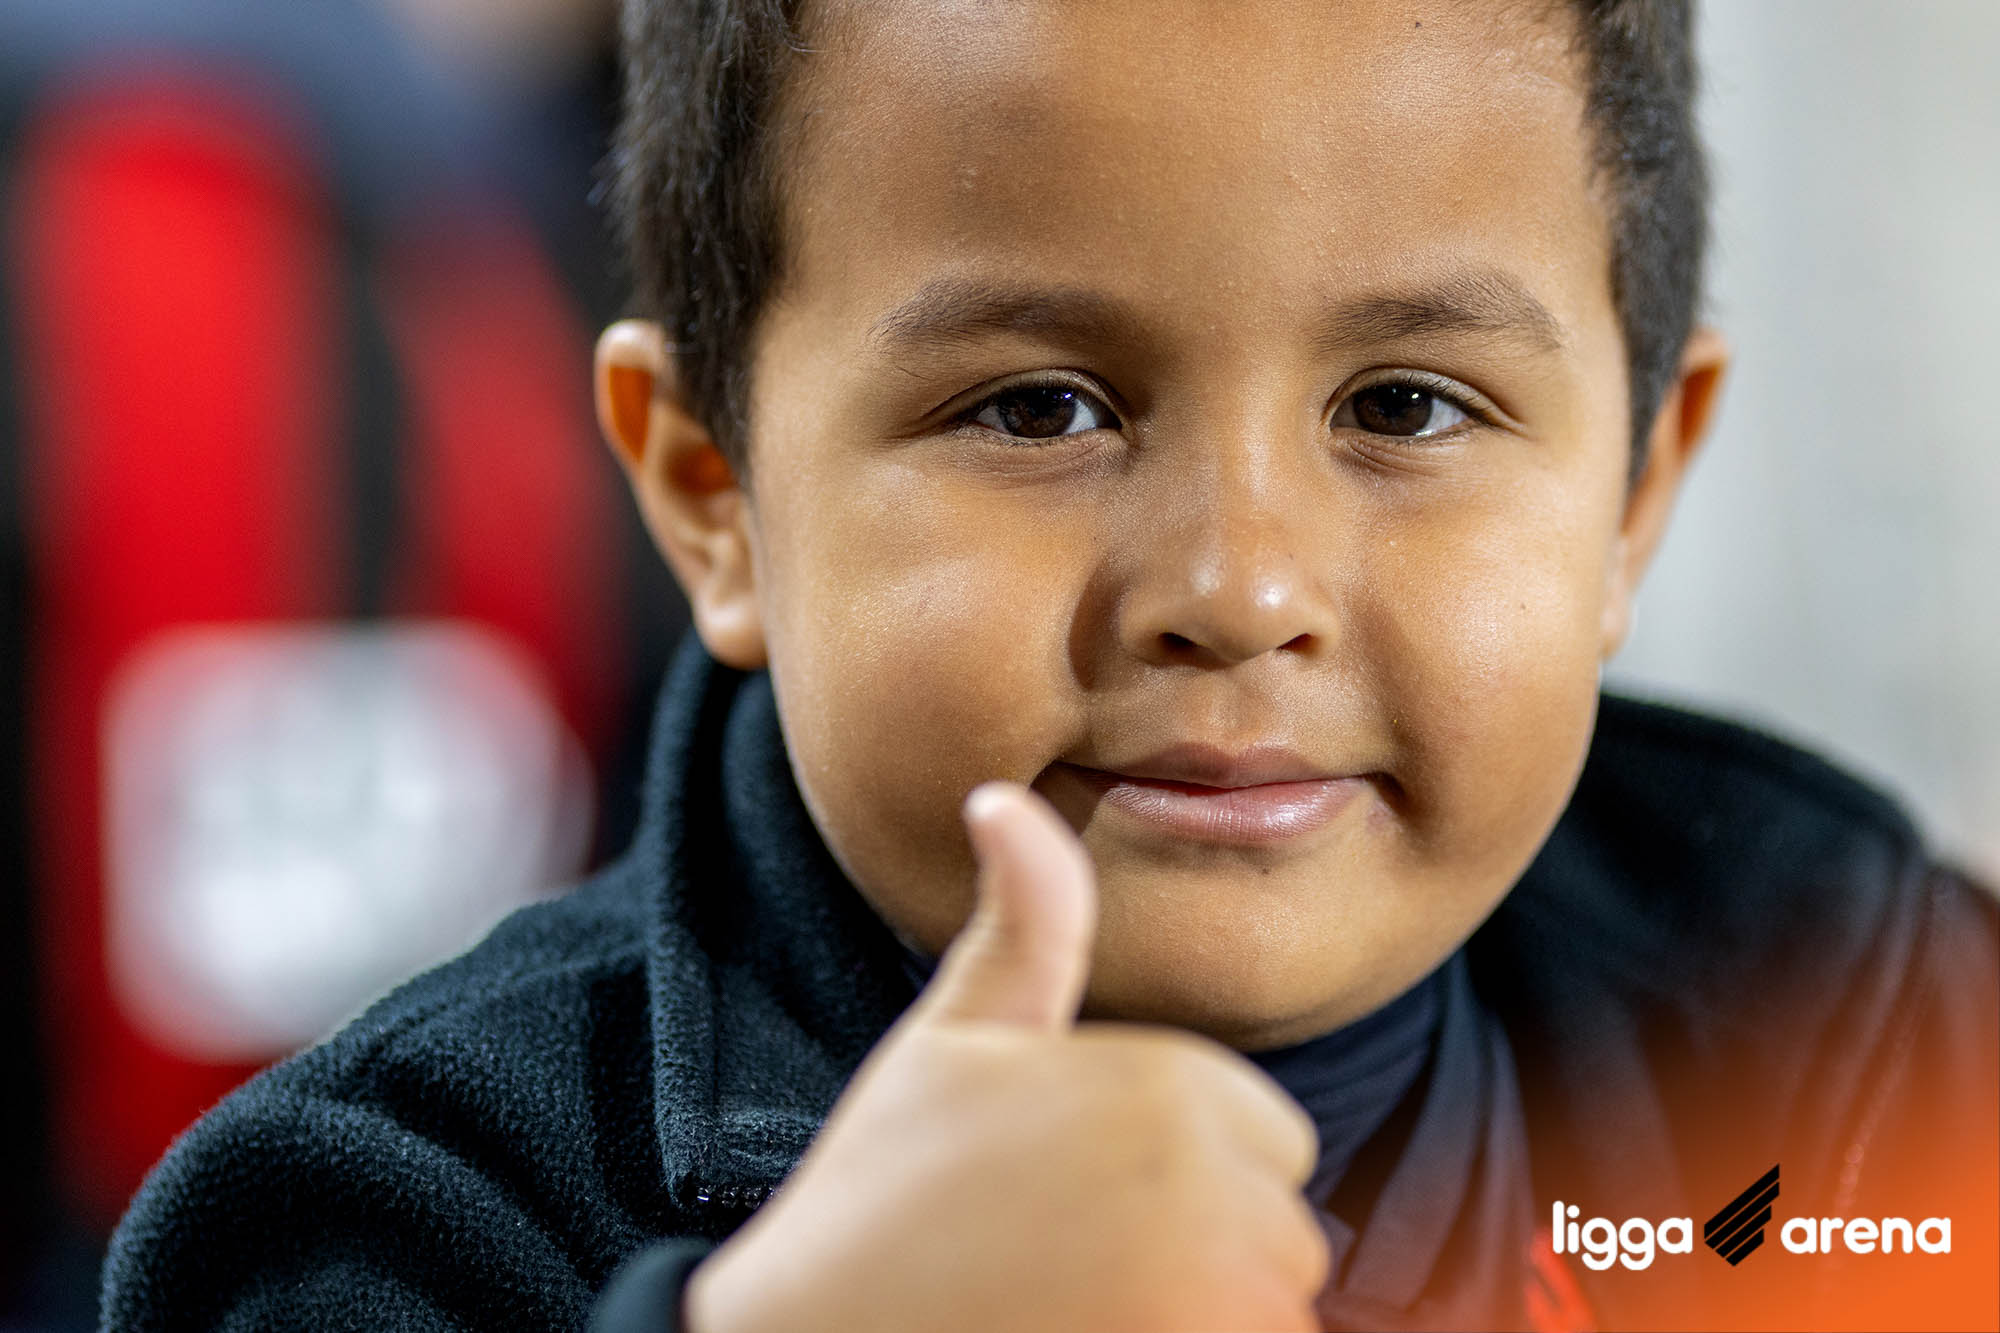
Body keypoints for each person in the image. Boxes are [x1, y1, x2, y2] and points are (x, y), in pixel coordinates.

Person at [99, 1, 2000, 1330]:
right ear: (711, 494)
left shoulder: (1849, 1020)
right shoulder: (400, 1211)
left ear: (1637, 493)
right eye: (1038, 407)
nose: (1239, 589)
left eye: (1406, 405)